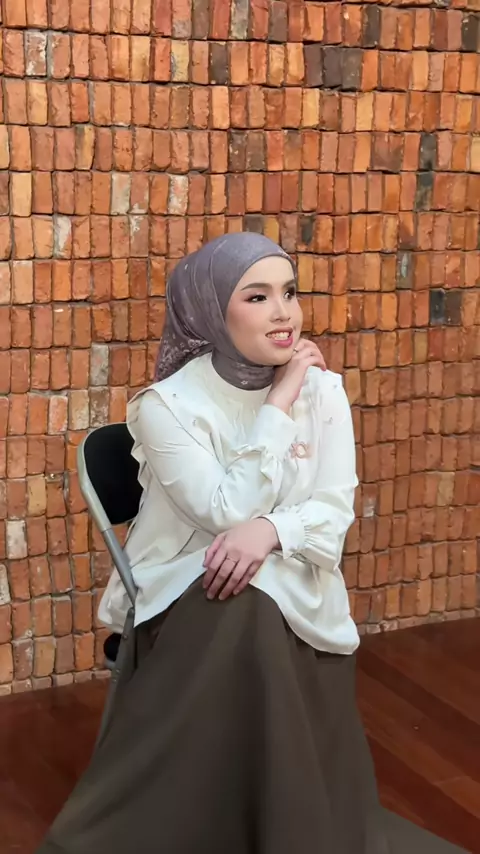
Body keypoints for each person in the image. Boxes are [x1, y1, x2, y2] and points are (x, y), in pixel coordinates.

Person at [36, 233, 465, 854]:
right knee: (246, 599)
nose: (283, 313)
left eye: (289, 293)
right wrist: (279, 402)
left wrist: (271, 531)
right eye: (257, 297)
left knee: (257, 593)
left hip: (287, 578)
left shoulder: (324, 391)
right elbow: (225, 510)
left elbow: (332, 512)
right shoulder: (166, 406)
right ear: (211, 310)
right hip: (183, 585)